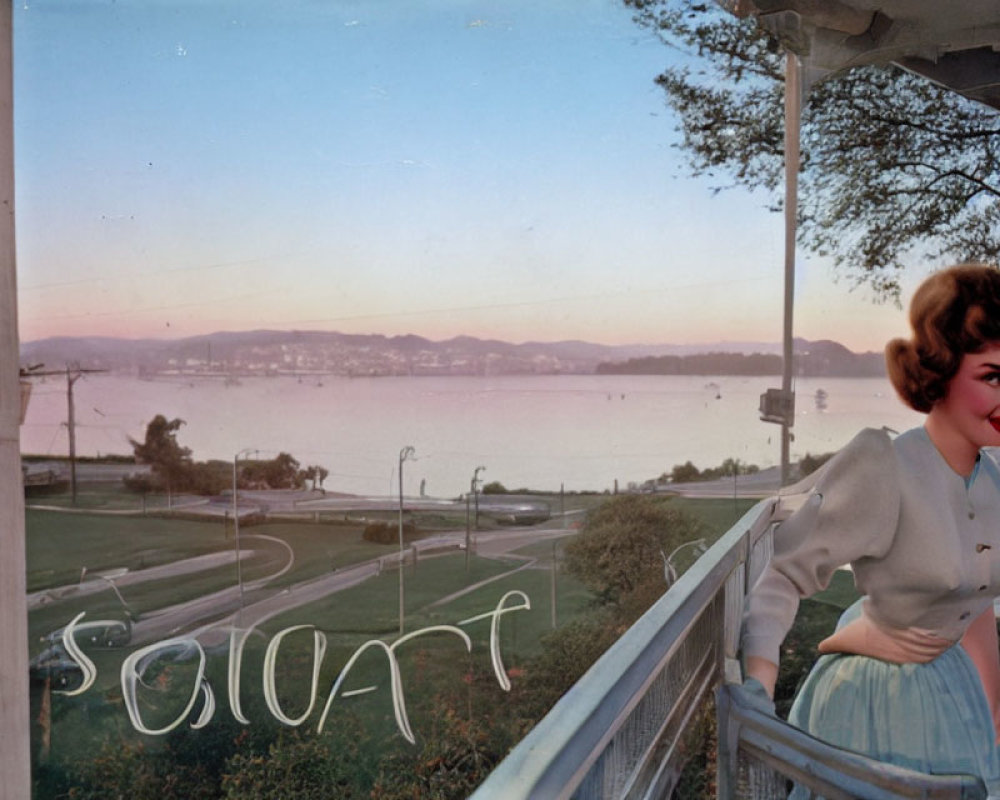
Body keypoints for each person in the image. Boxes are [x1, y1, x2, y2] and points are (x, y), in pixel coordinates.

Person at [742, 264, 1000, 790]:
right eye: (992, 377)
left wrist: (994, 722)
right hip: (871, 704)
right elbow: (784, 572)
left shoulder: (992, 481)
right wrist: (756, 691)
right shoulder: (886, 464)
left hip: (954, 696)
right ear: (941, 370)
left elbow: (973, 608)